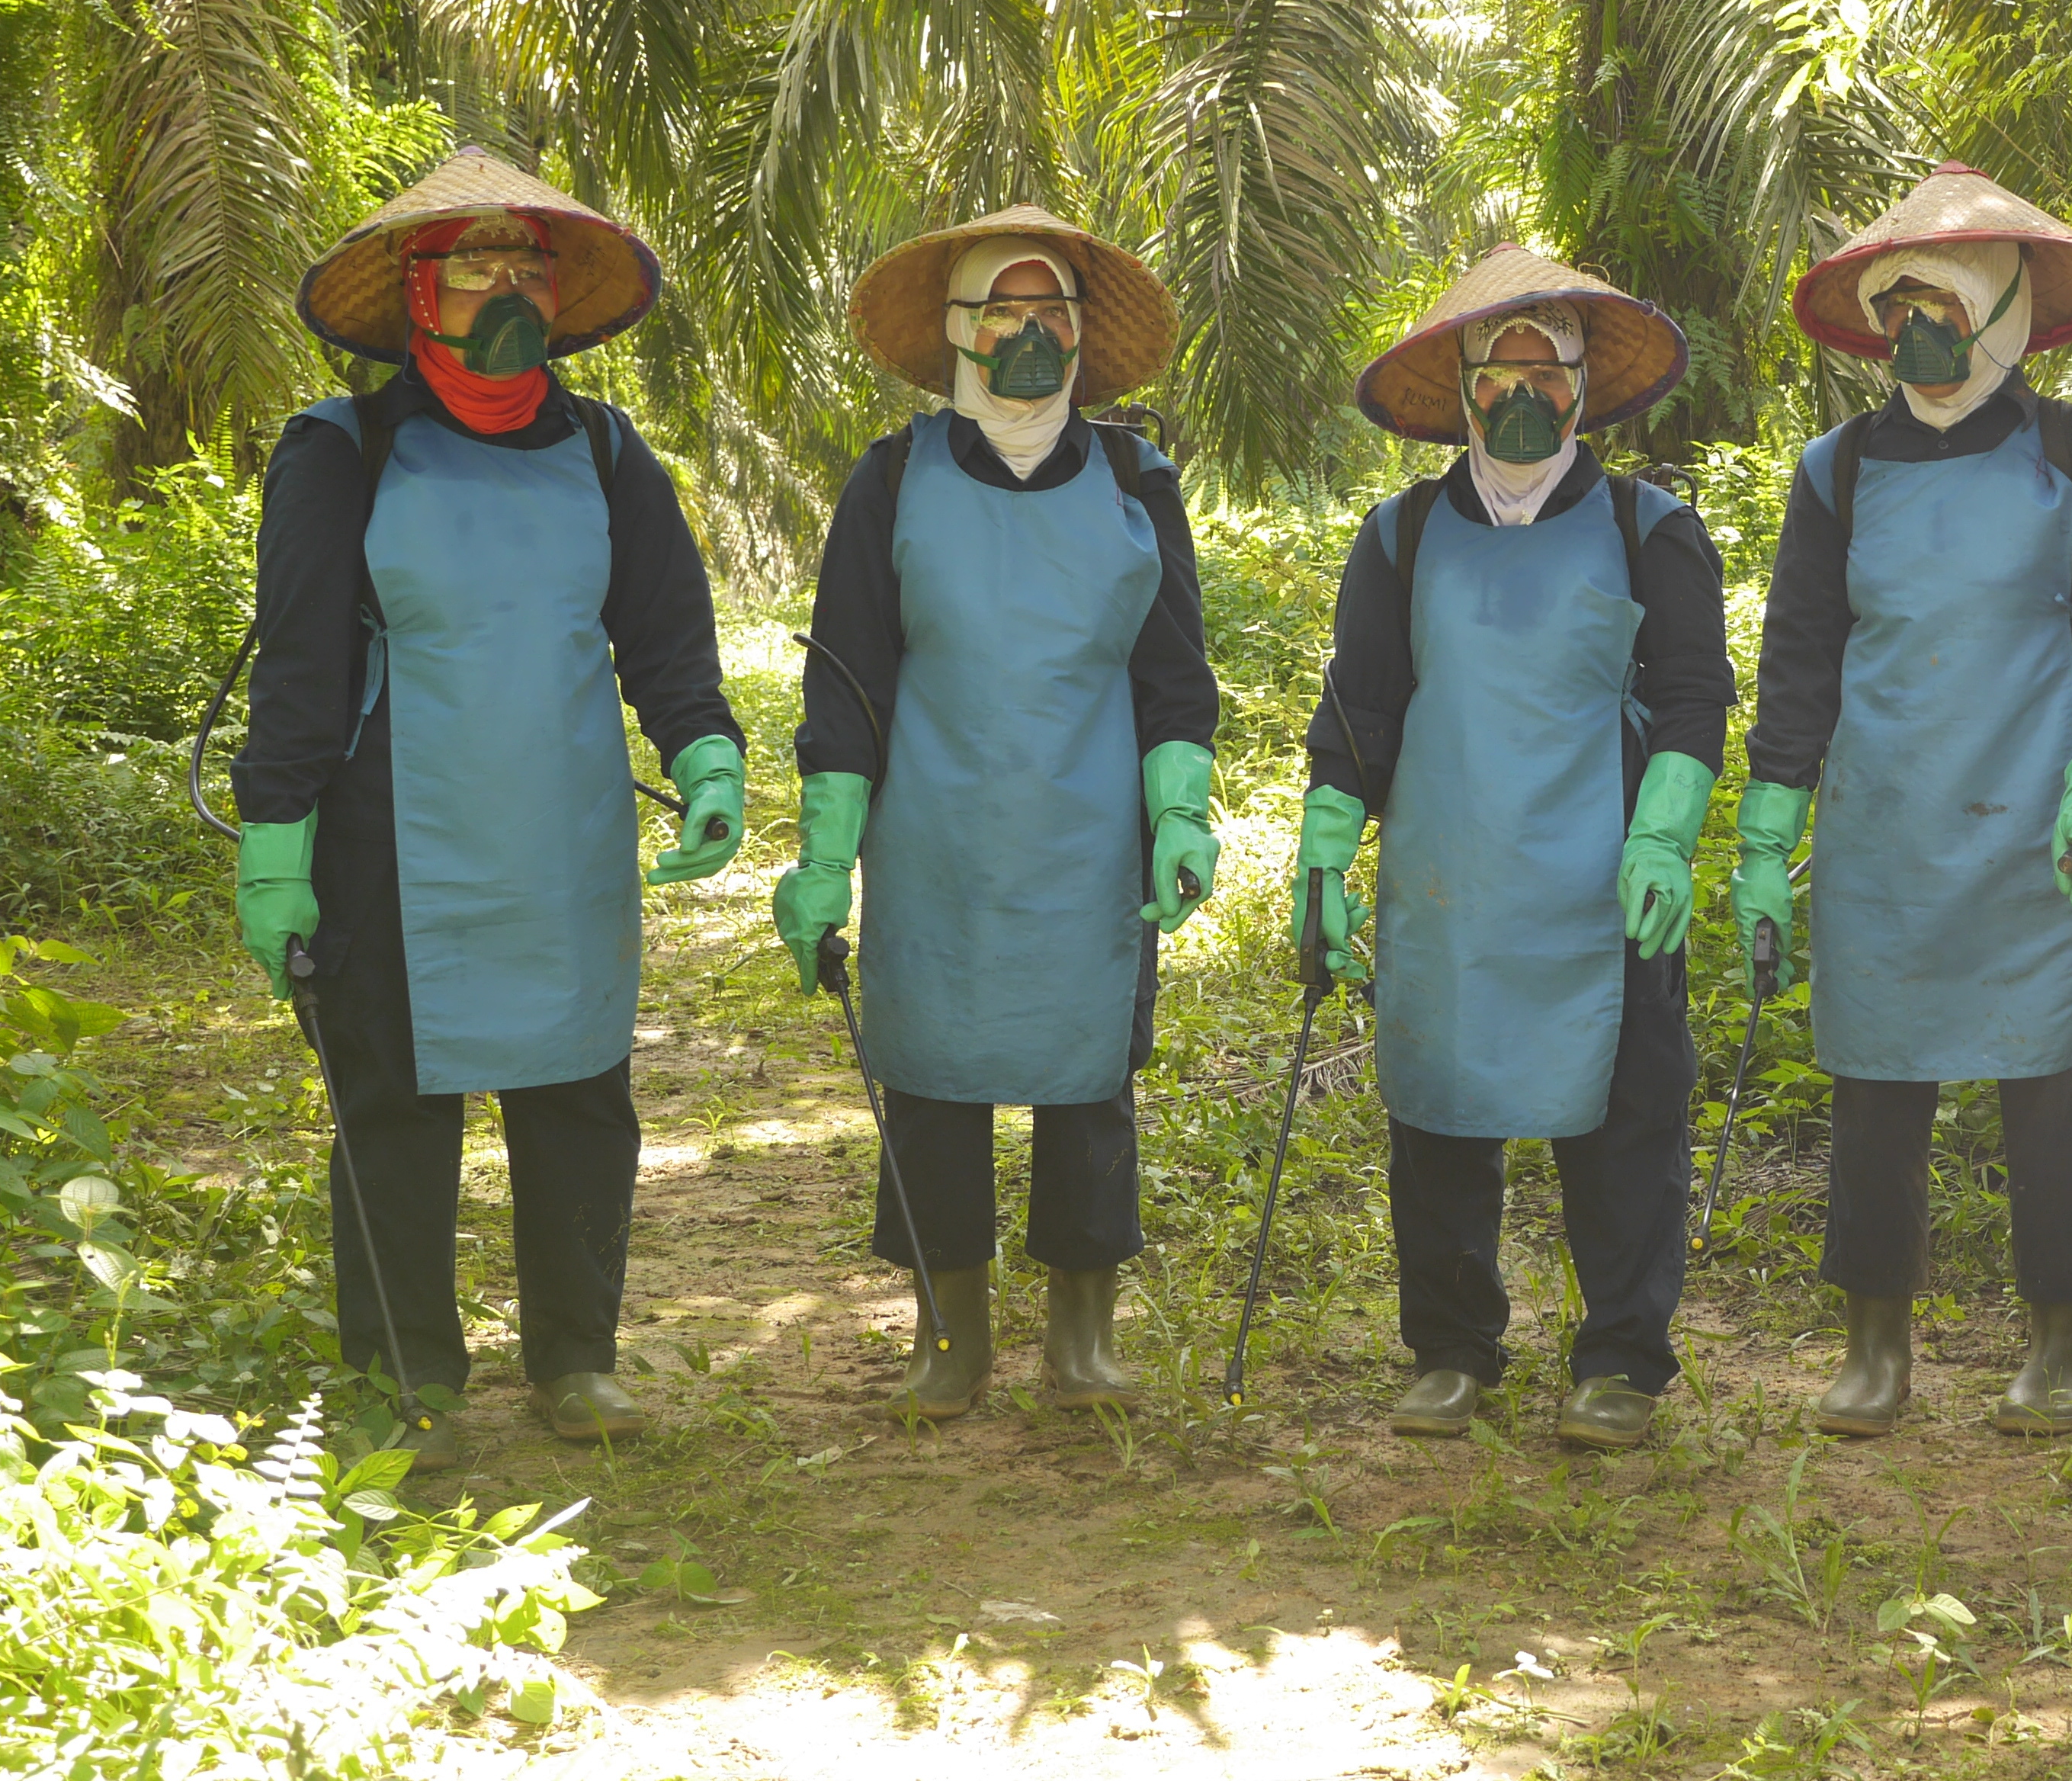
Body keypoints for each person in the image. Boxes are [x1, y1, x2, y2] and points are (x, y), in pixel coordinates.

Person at [233, 149, 744, 1471]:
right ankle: (407, 1374)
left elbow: (666, 635)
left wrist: (706, 761)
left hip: (563, 832)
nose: (509, 287)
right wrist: (276, 845)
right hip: (388, 835)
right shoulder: (344, 451)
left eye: (530, 267)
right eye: (477, 268)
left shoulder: (608, 451)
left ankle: (576, 1359)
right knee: (394, 1106)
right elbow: (298, 662)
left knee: (578, 1092)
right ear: (418, 295)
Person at [1734, 165, 2072, 1438]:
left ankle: (2066, 1339)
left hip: (2039, 814)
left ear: (1999, 308)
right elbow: (1800, 660)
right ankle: (1875, 1344)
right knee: (1876, 1082)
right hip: (1884, 816)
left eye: (1943, 301)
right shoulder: (1839, 471)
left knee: (2048, 1083)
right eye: (1898, 306)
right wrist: (1769, 833)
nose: (1917, 329)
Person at [775, 209, 1220, 1422]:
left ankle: (1083, 1336)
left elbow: (1172, 676)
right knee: (934, 1080)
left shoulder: (1136, 480)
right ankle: (948, 1333)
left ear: (1081, 333)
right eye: (1004, 311)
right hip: (935, 837)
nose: (1032, 333)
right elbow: (849, 683)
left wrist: (1181, 812)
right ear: (960, 330)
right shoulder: (892, 479)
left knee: (1089, 1085)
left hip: (1092, 841)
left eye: (1054, 312)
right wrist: (823, 853)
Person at [1294, 245, 1733, 1451]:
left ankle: (1621, 1360)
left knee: (1627, 1110)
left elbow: (1698, 697)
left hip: (1603, 871)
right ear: (1466, 386)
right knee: (1439, 1102)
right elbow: (1361, 710)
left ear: (1587, 387)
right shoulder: (1400, 537)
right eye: (1501, 368)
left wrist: (1665, 840)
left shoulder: (1651, 527)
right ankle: (1449, 1347)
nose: (1524, 392)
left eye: (1552, 367)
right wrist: (1327, 851)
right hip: (1451, 870)